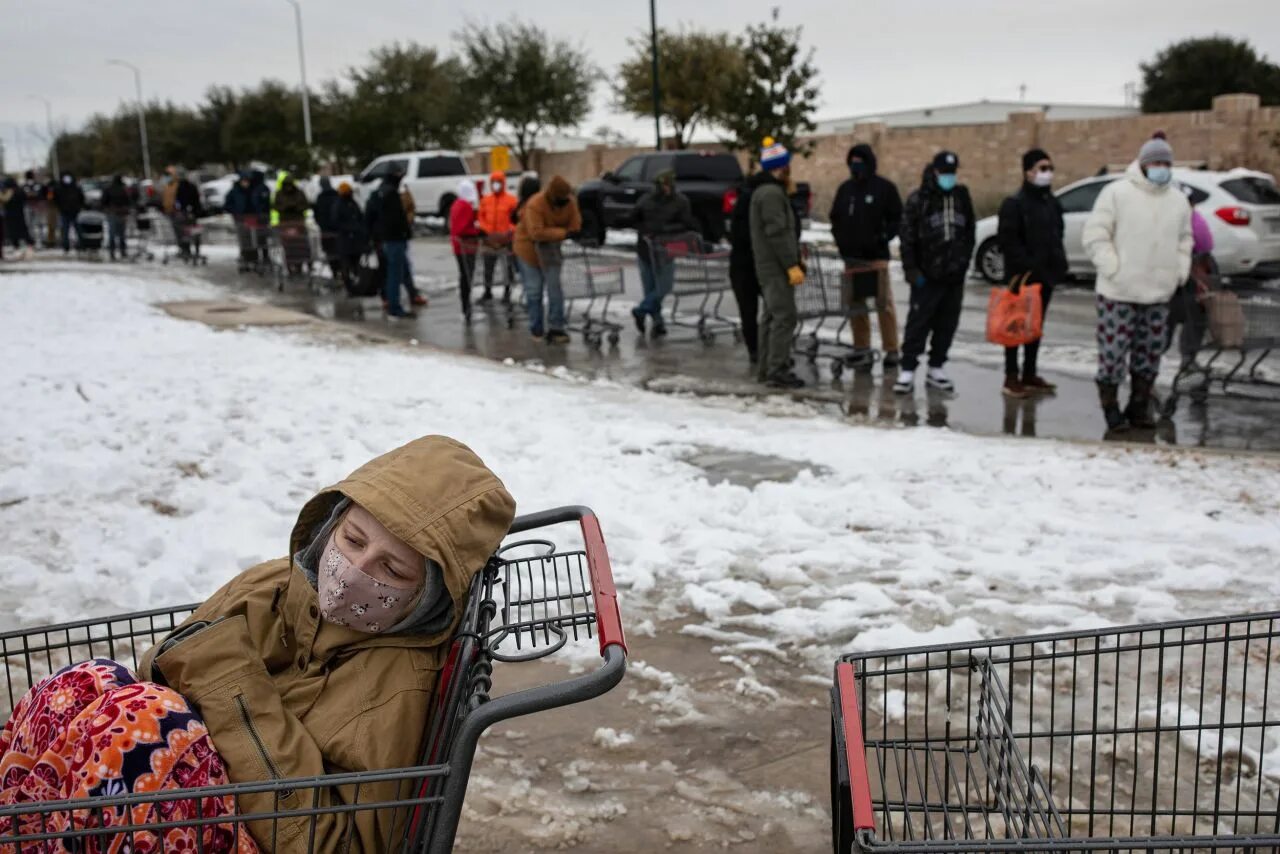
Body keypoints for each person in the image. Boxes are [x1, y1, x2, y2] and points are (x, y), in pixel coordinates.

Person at [0, 436, 515, 852]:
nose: (356, 569)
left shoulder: (395, 692)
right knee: (86, 683)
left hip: (246, 830)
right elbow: (159, 664)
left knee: (146, 723)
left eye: (392, 569)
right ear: (332, 523)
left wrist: (231, 689)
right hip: (193, 799)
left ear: (428, 598)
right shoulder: (274, 586)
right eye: (354, 540)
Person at [1083, 132, 1192, 432]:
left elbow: (1185, 239)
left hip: (1158, 294)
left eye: (1165, 162)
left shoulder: (1178, 200)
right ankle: (1110, 407)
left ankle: (1139, 406)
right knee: (1113, 354)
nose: (1160, 167)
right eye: (1155, 162)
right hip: (1118, 292)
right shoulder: (1117, 193)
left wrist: (1179, 271)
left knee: (1149, 355)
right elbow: (1095, 235)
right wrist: (1112, 267)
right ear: (1143, 164)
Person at [894, 151, 976, 395]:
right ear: (935, 171)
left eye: (953, 173)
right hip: (926, 276)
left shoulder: (961, 198)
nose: (949, 177)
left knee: (947, 324)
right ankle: (907, 368)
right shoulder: (919, 200)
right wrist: (912, 270)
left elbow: (969, 232)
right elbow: (907, 237)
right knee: (918, 324)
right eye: (945, 173)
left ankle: (936, 367)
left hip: (953, 275)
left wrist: (963, 262)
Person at [996, 148, 1069, 398]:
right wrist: (1027, 265)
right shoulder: (1015, 204)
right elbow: (1008, 240)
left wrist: (1058, 264)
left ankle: (1029, 372)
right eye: (1041, 168)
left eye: (1049, 168)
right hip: (1022, 277)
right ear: (1028, 172)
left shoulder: (1051, 203)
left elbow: (1057, 234)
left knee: (1035, 327)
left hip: (1045, 276)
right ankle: (1011, 376)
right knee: (1015, 327)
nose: (1047, 174)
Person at [829, 143, 903, 368]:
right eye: (852, 161)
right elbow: (836, 218)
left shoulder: (884, 188)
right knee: (856, 305)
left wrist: (882, 237)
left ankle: (891, 349)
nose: (855, 165)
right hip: (851, 257)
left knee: (883, 304)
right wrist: (841, 241)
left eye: (860, 161)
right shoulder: (845, 190)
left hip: (876, 257)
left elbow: (897, 218)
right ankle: (861, 347)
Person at [750, 137, 806, 389]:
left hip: (768, 265)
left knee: (771, 317)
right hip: (774, 266)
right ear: (780, 167)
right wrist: (791, 264)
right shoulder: (771, 194)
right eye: (787, 166)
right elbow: (778, 233)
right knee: (785, 316)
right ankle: (777, 368)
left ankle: (766, 368)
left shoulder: (764, 191)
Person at [629, 168, 698, 338]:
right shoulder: (646, 200)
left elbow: (686, 223)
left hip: (666, 248)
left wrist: (665, 229)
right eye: (664, 184)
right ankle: (658, 322)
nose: (667, 187)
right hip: (645, 247)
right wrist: (643, 229)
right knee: (650, 287)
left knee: (664, 286)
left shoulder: (680, 201)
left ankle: (641, 310)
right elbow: (634, 218)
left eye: (669, 184)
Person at [513, 175, 581, 343]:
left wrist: (568, 232)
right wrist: (563, 233)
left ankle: (557, 327)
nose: (564, 202)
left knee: (555, 289)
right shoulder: (535, 205)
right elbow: (536, 232)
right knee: (534, 290)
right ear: (552, 196)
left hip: (551, 250)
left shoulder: (569, 203)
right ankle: (536, 328)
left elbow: (575, 224)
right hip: (528, 250)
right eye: (560, 199)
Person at [365, 165, 415, 318]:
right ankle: (394, 306)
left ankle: (405, 296)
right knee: (394, 273)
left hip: (385, 238)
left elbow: (369, 216)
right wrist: (405, 232)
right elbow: (396, 219)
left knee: (397, 270)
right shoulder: (390, 194)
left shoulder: (379, 193)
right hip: (394, 238)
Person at [729, 173, 763, 364]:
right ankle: (765, 350)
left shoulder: (741, 202)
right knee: (772, 311)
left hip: (741, 265)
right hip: (756, 263)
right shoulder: (758, 201)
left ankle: (755, 350)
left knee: (748, 312)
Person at [477, 171, 517, 304]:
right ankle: (487, 291)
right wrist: (486, 231)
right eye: (494, 182)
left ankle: (507, 291)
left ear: (503, 183)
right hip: (489, 240)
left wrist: (510, 231)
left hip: (506, 240)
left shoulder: (511, 200)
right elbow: (481, 217)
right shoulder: (486, 200)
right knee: (488, 267)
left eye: (498, 182)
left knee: (507, 267)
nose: (496, 185)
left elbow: (515, 219)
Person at [449, 179, 481, 322]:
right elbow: (462, 228)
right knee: (467, 276)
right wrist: (476, 231)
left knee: (464, 276)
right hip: (466, 247)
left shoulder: (456, 204)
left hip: (458, 246)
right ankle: (466, 306)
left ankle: (465, 305)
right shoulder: (465, 206)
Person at [333, 182, 368, 290]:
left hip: (353, 239)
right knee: (347, 263)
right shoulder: (341, 205)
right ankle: (349, 284)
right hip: (346, 239)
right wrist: (352, 228)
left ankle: (355, 283)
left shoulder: (351, 203)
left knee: (354, 262)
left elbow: (360, 217)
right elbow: (336, 222)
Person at [52, 172, 86, 254]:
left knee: (76, 229)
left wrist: (79, 207)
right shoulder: (60, 188)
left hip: (74, 212)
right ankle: (67, 246)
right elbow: (55, 199)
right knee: (66, 230)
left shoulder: (75, 187)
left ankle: (81, 245)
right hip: (65, 212)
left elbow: (81, 198)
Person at [2, 177, 35, 260]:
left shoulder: (11, 192)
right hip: (16, 215)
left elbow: (6, 201)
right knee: (20, 232)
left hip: (14, 215)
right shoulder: (18, 190)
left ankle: (24, 248)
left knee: (18, 232)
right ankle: (23, 248)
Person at [101, 174, 132, 261]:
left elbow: (103, 201)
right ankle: (123, 251)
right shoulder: (123, 189)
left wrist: (106, 209)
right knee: (122, 234)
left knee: (112, 234)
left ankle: (112, 252)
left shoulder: (108, 189)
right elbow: (128, 201)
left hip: (112, 213)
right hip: (122, 214)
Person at [314, 175, 339, 268]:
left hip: (325, 228)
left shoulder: (320, 198)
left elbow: (316, 213)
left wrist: (320, 223)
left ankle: (334, 269)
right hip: (336, 228)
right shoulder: (336, 195)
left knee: (329, 250)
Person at [21, 170, 47, 249]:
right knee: (31, 225)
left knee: (38, 225)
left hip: (37, 206)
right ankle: (32, 241)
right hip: (29, 206)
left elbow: (43, 195)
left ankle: (40, 241)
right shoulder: (24, 186)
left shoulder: (38, 185)